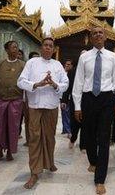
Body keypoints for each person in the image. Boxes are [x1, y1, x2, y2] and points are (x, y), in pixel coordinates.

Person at [72, 26, 115, 195]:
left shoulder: (113, 57)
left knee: (104, 137)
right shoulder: (85, 57)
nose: (98, 35)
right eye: (94, 33)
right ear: (91, 38)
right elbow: (78, 82)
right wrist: (77, 106)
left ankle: (100, 179)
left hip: (106, 99)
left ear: (105, 36)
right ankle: (93, 160)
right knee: (88, 135)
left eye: (101, 32)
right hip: (88, 99)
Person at [17, 38, 68, 189]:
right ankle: (34, 172)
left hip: (51, 106)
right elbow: (20, 81)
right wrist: (37, 84)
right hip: (34, 106)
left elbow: (65, 84)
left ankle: (50, 162)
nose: (47, 48)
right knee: (34, 138)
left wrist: (54, 84)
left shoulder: (58, 65)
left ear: (53, 49)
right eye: (45, 45)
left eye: (50, 46)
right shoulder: (31, 63)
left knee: (49, 137)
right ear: (41, 48)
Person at [0, 41, 26, 163]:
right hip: (1, 100)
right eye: (13, 47)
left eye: (17, 47)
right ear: (6, 50)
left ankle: (10, 152)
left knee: (13, 127)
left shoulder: (23, 65)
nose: (16, 49)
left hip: (16, 101)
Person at [66, 51, 87, 150]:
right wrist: (64, 101)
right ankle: (73, 138)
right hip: (75, 101)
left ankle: (83, 145)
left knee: (86, 124)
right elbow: (68, 88)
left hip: (87, 101)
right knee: (75, 123)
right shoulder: (72, 71)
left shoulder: (90, 70)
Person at [19, 51, 41, 145]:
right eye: (33, 58)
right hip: (25, 99)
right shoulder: (26, 68)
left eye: (37, 58)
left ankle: (36, 139)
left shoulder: (40, 70)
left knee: (36, 122)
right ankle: (29, 140)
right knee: (28, 121)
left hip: (38, 99)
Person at [61, 59, 74, 138]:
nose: (67, 66)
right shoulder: (62, 73)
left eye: (69, 64)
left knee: (67, 114)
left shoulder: (72, 73)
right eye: (66, 64)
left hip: (69, 97)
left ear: (72, 66)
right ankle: (65, 129)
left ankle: (69, 130)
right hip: (61, 96)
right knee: (64, 114)